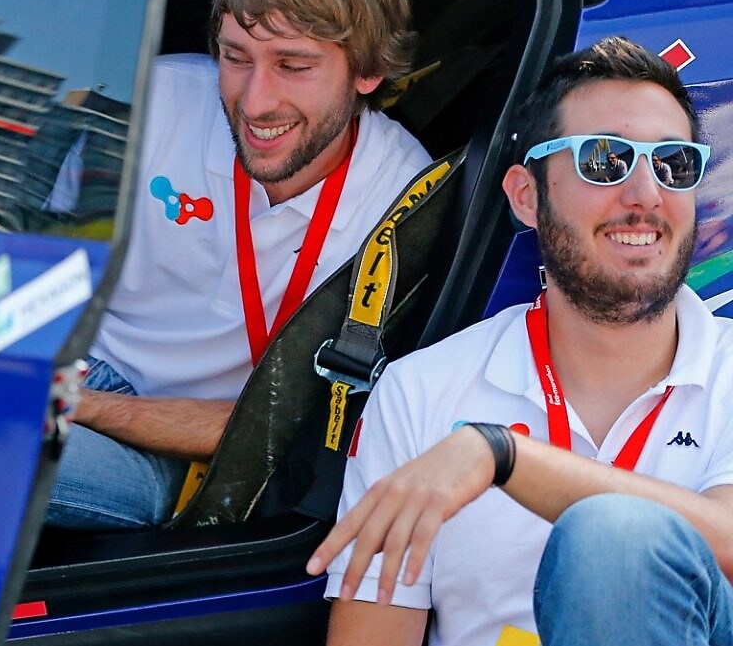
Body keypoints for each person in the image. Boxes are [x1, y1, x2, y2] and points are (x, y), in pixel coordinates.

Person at [307, 36, 733, 646]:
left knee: (612, 538)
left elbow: (726, 541)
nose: (645, 195)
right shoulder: (420, 391)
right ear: (526, 197)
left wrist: (501, 455)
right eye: (604, 160)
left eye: (674, 163)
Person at [46, 0, 431, 529]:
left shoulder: (400, 204)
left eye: (293, 64)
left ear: (369, 71)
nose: (254, 102)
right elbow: (38, 267)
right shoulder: (153, 99)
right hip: (63, 359)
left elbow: (286, 430)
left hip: (177, 446)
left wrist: (75, 405)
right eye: (235, 57)